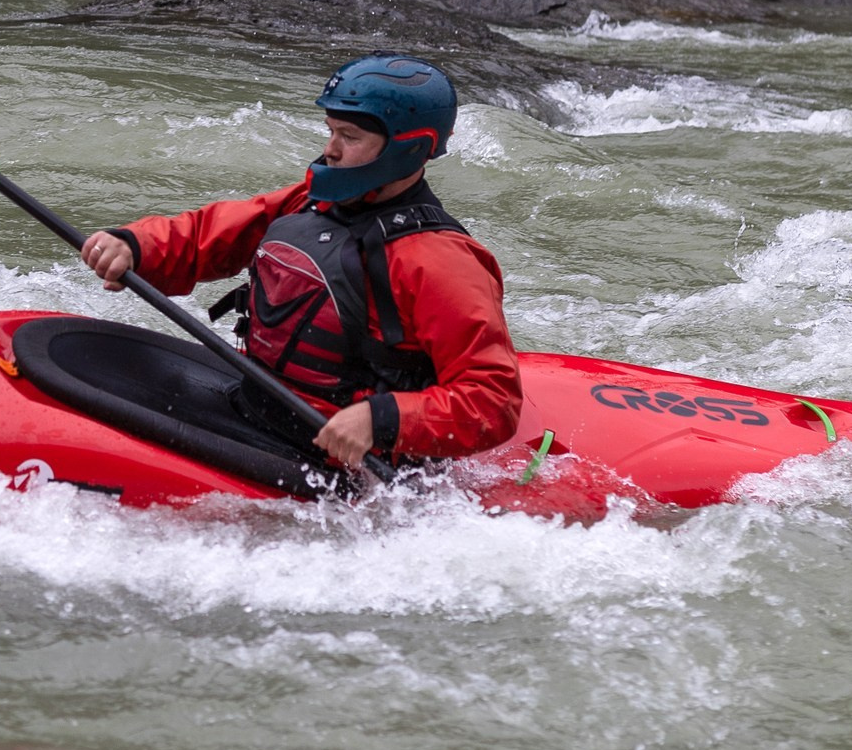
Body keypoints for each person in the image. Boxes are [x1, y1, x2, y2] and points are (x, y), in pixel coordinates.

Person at [79, 53, 523, 472]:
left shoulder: (441, 261)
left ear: (409, 148)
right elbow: (211, 235)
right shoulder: (313, 202)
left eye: (349, 137)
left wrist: (381, 420)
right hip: (257, 406)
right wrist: (138, 246)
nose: (330, 149)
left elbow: (492, 400)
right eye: (330, 130)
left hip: (336, 461)